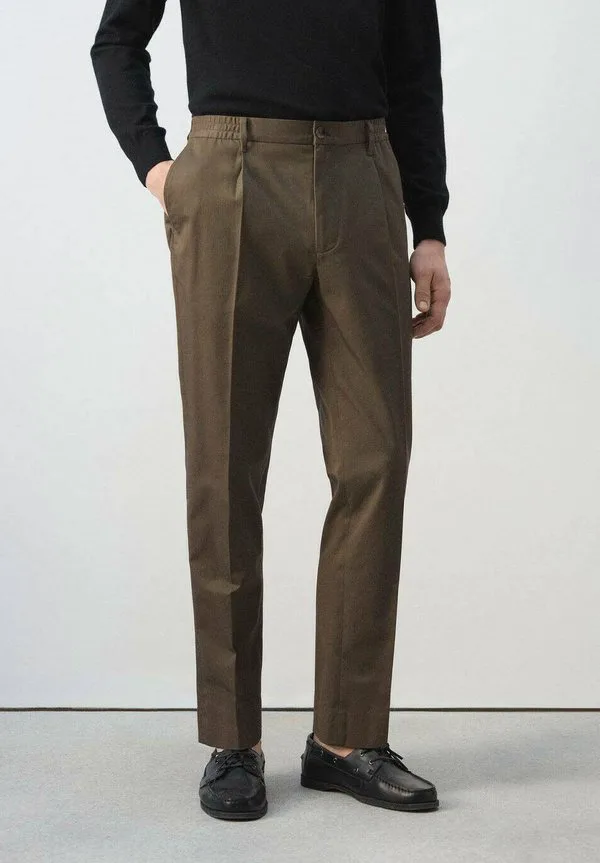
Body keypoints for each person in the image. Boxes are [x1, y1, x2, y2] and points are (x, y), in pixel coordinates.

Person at [90, 0, 451, 821]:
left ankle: (347, 738)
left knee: (375, 459)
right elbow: (117, 40)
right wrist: (158, 166)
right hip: (231, 170)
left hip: (364, 172)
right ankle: (233, 738)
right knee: (223, 464)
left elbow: (414, 70)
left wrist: (428, 225)